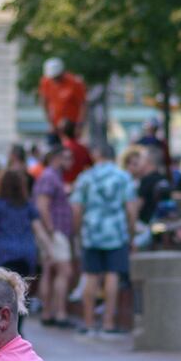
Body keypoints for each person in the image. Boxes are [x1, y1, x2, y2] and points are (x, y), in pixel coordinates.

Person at [70, 139, 136, 337]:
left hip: (92, 231)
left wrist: (78, 231)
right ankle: (108, 323)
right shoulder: (123, 177)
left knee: (91, 275)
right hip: (116, 232)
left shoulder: (85, 177)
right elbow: (131, 208)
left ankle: (89, 323)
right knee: (112, 275)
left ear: (97, 155)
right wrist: (131, 231)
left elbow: (77, 208)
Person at [0, 166, 50, 279]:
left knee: (1, 289)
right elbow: (39, 230)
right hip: (26, 253)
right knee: (22, 289)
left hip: (2, 253)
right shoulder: (27, 206)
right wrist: (48, 249)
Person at [32, 145, 74, 326]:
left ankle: (49, 312)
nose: (71, 162)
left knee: (49, 270)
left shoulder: (50, 176)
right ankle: (59, 313)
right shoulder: (50, 176)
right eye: (68, 158)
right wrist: (50, 229)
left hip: (53, 230)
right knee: (64, 270)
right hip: (54, 230)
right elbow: (42, 205)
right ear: (57, 158)